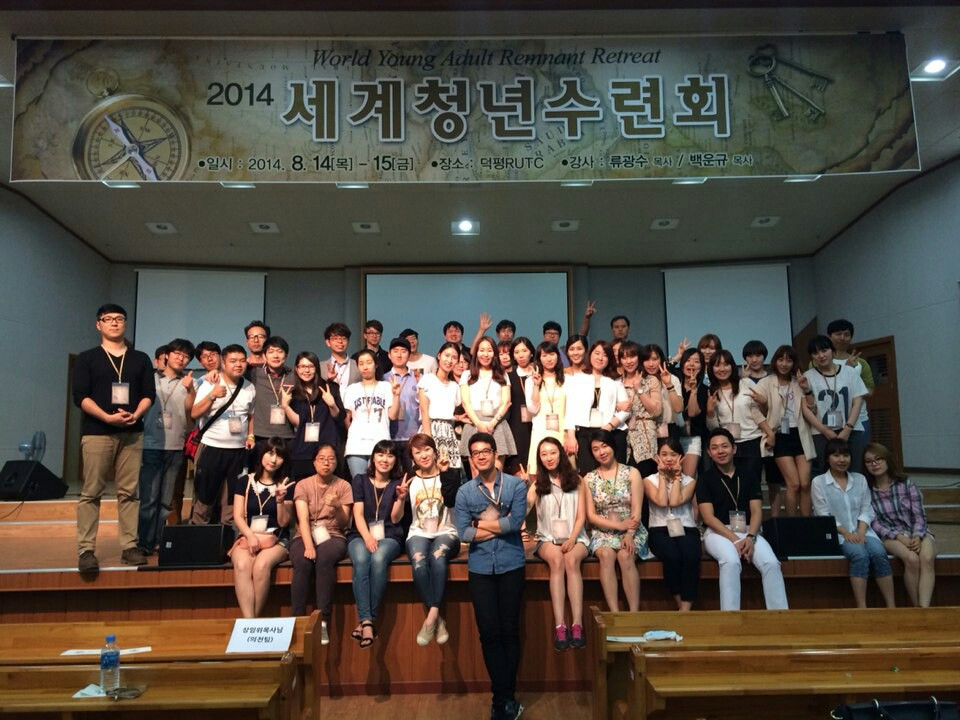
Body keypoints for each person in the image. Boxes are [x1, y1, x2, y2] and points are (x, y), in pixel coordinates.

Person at [72, 304, 156, 572]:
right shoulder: (87, 358)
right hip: (98, 432)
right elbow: (80, 397)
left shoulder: (140, 358)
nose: (114, 323)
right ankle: (86, 550)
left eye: (119, 319)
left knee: (129, 492)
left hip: (132, 433)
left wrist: (136, 414)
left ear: (125, 323)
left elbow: (149, 394)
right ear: (98, 324)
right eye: (108, 319)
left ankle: (130, 547)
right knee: (91, 492)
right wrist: (106, 418)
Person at [455, 433, 527, 720]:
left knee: (509, 630)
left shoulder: (515, 485)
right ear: (471, 459)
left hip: (511, 565)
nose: (481, 456)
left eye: (486, 451)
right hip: (481, 569)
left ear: (496, 454)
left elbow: (516, 522)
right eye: (476, 453)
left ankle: (505, 698)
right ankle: (503, 697)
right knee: (489, 633)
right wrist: (500, 525)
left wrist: (481, 524)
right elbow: (464, 533)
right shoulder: (465, 492)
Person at [698, 428, 788, 611]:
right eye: (715, 448)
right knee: (731, 561)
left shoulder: (748, 475)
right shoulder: (705, 479)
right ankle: (730, 617)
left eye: (724, 446)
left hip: (748, 530)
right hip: (718, 532)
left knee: (771, 563)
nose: (720, 451)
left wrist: (750, 537)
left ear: (734, 448)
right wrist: (735, 540)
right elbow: (708, 517)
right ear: (709, 453)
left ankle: (779, 616)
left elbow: (756, 511)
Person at [812, 439, 895, 609]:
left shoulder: (860, 479)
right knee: (860, 555)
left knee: (879, 553)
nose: (842, 460)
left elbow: (866, 509)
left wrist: (861, 532)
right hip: (838, 534)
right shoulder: (818, 482)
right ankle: (861, 608)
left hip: (863, 531)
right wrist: (847, 534)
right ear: (827, 458)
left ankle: (891, 606)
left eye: (846, 455)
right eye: (836, 455)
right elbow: (823, 514)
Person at [398, 434, 462, 645]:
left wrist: (445, 474)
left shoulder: (449, 473)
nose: (423, 455)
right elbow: (398, 518)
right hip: (418, 533)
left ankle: (431, 616)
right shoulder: (409, 478)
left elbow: (451, 502)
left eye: (427, 450)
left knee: (437, 556)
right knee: (418, 560)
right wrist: (400, 498)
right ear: (412, 457)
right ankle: (437, 618)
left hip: (447, 532)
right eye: (418, 452)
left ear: (435, 451)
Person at [526, 437, 589, 650]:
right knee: (557, 561)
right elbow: (523, 509)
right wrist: (522, 487)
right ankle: (560, 626)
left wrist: (572, 538)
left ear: (560, 454)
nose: (549, 458)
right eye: (544, 454)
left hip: (576, 537)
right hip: (547, 538)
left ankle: (577, 624)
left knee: (571, 561)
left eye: (552, 452)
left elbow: (581, 516)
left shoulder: (577, 480)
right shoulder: (537, 484)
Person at [289, 444, 353, 644]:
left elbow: (344, 523)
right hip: (305, 534)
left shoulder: (344, 486)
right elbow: (302, 519)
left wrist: (338, 507)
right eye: (322, 459)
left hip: (333, 534)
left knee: (325, 557)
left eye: (331, 459)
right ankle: (297, 620)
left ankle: (323, 621)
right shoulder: (303, 485)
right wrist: (308, 545)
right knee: (302, 561)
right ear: (314, 462)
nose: (327, 463)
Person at [137, 338, 195, 556]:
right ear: (167, 356)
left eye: (186, 356)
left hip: (176, 446)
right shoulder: (149, 379)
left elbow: (190, 412)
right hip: (150, 445)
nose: (181, 358)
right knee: (149, 499)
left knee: (165, 500)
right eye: (177, 353)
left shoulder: (189, 382)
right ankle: (144, 542)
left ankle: (159, 541)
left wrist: (190, 390)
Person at [190, 344, 256, 525]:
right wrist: (212, 395)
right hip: (211, 447)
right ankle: (198, 539)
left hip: (238, 451)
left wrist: (250, 436)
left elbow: (250, 416)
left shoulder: (249, 387)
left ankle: (227, 541)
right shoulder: (210, 383)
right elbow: (194, 413)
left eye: (242, 361)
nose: (238, 365)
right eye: (233, 361)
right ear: (224, 363)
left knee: (231, 503)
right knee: (204, 500)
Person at [864, 443, 937, 607]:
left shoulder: (906, 483)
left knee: (927, 558)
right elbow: (874, 522)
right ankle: (916, 608)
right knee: (911, 559)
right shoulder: (867, 490)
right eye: (869, 461)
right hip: (890, 536)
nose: (874, 464)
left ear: (887, 460)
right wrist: (899, 537)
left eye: (878, 459)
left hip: (917, 531)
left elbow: (919, 514)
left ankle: (924, 608)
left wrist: (917, 536)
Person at [347, 440, 404, 648]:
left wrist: (401, 499)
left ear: (395, 460)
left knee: (378, 558)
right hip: (360, 534)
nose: (385, 459)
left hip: (390, 535)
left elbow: (396, 519)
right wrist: (368, 537)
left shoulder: (398, 483)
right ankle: (368, 622)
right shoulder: (360, 480)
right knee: (361, 560)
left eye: (390, 455)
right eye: (380, 454)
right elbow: (358, 514)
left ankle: (365, 621)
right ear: (373, 458)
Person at [229, 438, 293, 618]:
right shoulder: (245, 481)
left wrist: (280, 500)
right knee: (242, 565)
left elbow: (283, 523)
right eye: (270, 453)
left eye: (279, 456)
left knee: (261, 565)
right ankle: (250, 622)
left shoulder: (285, 484)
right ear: (262, 454)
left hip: (277, 540)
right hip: (247, 536)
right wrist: (250, 536)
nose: (273, 460)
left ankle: (251, 623)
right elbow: (237, 516)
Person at [583, 429, 646, 612]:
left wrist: (629, 533)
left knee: (625, 555)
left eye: (604, 446)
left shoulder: (632, 473)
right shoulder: (589, 478)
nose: (601, 452)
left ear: (613, 446)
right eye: (595, 449)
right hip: (603, 531)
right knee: (606, 555)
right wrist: (618, 525)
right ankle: (614, 614)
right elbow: (591, 516)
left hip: (631, 528)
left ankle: (633, 613)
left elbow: (637, 510)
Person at [758, 345, 817, 516]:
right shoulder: (766, 382)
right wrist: (768, 431)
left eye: (789, 360)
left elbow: (812, 410)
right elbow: (756, 411)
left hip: (801, 434)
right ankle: (793, 524)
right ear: (775, 361)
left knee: (805, 484)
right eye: (781, 359)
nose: (784, 364)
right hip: (779, 436)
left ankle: (806, 522)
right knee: (793, 484)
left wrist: (807, 390)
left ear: (794, 363)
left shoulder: (799, 381)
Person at [644, 437, 701, 611]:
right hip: (659, 529)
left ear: (681, 457)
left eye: (673, 454)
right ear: (657, 457)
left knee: (691, 556)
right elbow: (662, 502)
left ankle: (685, 608)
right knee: (672, 556)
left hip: (686, 528)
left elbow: (675, 501)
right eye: (664, 454)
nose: (669, 458)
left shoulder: (690, 481)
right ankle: (681, 605)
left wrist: (677, 477)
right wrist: (662, 476)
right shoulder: (649, 480)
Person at [705, 349, 774, 491]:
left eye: (726, 364)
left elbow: (756, 412)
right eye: (717, 365)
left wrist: (769, 432)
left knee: (752, 486)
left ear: (732, 366)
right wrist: (710, 412)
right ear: (711, 369)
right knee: (729, 487)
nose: (722, 369)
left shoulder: (745, 383)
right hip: (727, 445)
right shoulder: (711, 391)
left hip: (751, 441)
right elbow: (713, 429)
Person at [803, 335, 869, 474]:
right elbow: (805, 409)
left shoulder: (849, 372)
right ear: (812, 357)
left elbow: (857, 401)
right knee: (826, 472)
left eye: (824, 350)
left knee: (855, 470)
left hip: (851, 429)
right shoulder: (807, 376)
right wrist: (825, 431)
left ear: (832, 351)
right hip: (821, 432)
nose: (821, 356)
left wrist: (847, 429)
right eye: (815, 353)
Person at [564, 341, 629, 472]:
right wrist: (571, 436)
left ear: (609, 359)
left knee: (614, 473)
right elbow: (570, 409)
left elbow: (626, 410)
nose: (600, 358)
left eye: (605, 355)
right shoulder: (577, 379)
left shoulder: (615, 382)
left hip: (611, 432)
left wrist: (609, 426)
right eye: (597, 353)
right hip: (584, 434)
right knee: (588, 474)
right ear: (590, 355)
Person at [281, 351, 344, 481]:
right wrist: (285, 406)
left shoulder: (329, 388)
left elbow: (339, 417)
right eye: (302, 367)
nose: (306, 370)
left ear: (316, 368)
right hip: (303, 450)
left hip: (327, 449)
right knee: (303, 488)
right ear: (296, 369)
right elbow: (298, 423)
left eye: (310, 366)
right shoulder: (293, 393)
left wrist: (332, 404)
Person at [342, 349, 401, 479]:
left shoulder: (386, 387)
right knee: (359, 484)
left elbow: (393, 416)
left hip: (380, 444)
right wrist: (353, 432)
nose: (365, 367)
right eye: (361, 363)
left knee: (378, 483)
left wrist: (396, 395)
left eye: (369, 362)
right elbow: (347, 417)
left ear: (376, 364)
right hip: (356, 446)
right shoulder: (352, 389)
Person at [459, 336, 516, 471]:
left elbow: (506, 401)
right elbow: (466, 403)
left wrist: (492, 424)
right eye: (482, 350)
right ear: (476, 353)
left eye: (489, 350)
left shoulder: (502, 374)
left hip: (497, 423)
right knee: (476, 474)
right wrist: (478, 424)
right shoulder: (467, 374)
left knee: (497, 472)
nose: (485, 354)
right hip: (474, 423)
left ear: (494, 353)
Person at [418, 342, 463, 470]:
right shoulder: (427, 379)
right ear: (439, 356)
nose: (449, 360)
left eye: (454, 357)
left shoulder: (455, 386)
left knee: (450, 473)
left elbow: (449, 412)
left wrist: (459, 418)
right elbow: (424, 411)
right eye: (446, 355)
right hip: (430, 429)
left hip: (448, 432)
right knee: (429, 471)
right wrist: (428, 442)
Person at [525, 341, 567, 471]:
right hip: (540, 431)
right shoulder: (530, 381)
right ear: (539, 358)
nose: (549, 359)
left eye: (552, 354)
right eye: (544, 355)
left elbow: (571, 410)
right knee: (539, 473)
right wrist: (536, 385)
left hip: (562, 431)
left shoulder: (567, 379)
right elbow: (533, 410)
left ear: (558, 356)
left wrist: (569, 434)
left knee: (564, 472)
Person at [251, 336, 295, 447]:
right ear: (264, 356)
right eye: (271, 352)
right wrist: (215, 372)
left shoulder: (294, 376)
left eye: (280, 351)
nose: (275, 356)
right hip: (260, 436)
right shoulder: (254, 374)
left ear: (286, 356)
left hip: (287, 435)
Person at [384, 337, 420, 456]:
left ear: (409, 355)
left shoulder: (419, 378)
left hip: (413, 436)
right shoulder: (383, 379)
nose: (399, 355)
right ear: (389, 355)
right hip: (389, 436)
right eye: (395, 351)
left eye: (403, 351)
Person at [504, 337, 535, 475]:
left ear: (531, 353)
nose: (521, 355)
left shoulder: (539, 374)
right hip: (516, 428)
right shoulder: (508, 377)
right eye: (516, 352)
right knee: (519, 470)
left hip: (537, 425)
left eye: (524, 351)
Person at [678, 347, 708, 477]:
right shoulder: (674, 384)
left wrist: (694, 390)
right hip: (673, 437)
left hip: (693, 438)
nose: (691, 364)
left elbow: (692, 412)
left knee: (688, 478)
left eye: (696, 361)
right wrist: (677, 356)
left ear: (701, 367)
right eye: (688, 360)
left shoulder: (704, 390)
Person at [320, 322, 361, 391]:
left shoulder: (358, 365)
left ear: (348, 341)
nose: (340, 341)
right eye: (335, 338)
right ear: (328, 342)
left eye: (343, 338)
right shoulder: (320, 367)